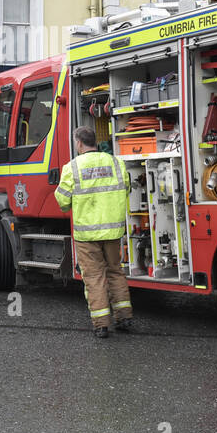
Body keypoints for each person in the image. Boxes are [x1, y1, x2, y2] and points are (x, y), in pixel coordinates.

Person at [53, 127, 134, 339]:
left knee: (95, 277)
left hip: (87, 235)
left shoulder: (72, 167)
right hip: (113, 231)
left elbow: (62, 200)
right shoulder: (116, 163)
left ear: (79, 143)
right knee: (116, 271)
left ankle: (102, 325)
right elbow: (126, 188)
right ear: (94, 142)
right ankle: (124, 317)